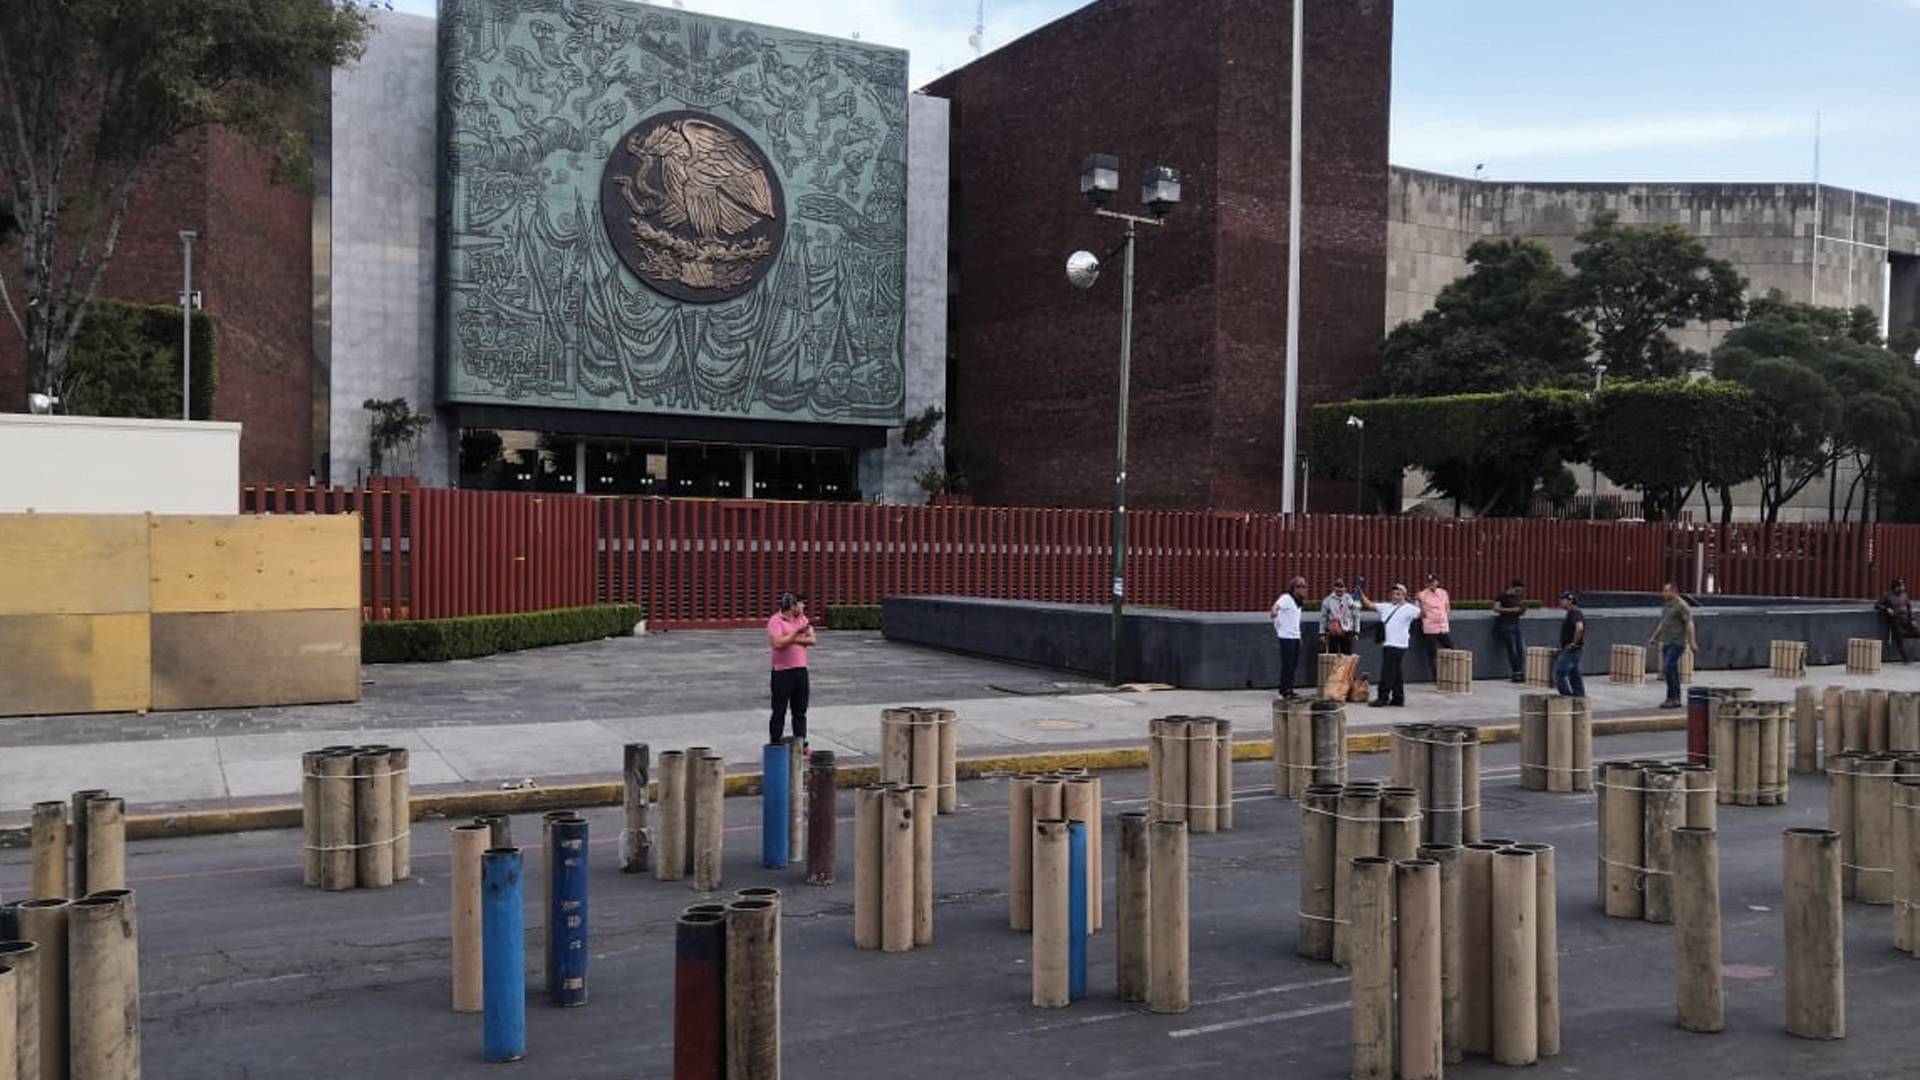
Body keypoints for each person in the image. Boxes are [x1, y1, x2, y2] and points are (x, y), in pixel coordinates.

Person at [767, 590, 817, 750]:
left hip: (801, 670)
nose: (804, 607)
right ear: (793, 605)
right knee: (779, 710)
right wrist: (796, 634)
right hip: (782, 671)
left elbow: (812, 640)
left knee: (800, 710)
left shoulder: (803, 619)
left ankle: (801, 743)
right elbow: (777, 644)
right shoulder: (775, 621)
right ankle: (775, 742)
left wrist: (790, 638)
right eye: (801, 603)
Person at [1361, 582, 1422, 707]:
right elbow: (1369, 605)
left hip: (1398, 645)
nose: (1395, 596)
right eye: (1393, 593)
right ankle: (1398, 698)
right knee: (1396, 672)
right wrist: (1360, 593)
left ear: (1404, 595)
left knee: (1387, 672)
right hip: (1388, 644)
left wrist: (1421, 601)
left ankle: (1382, 698)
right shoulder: (1385, 607)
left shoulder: (1409, 608)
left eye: (1398, 594)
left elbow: (1422, 614)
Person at [1647, 582, 1697, 708]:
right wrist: (1654, 637)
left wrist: (1692, 642)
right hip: (1667, 642)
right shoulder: (1666, 606)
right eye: (1663, 591)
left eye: (1666, 591)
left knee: (1669, 666)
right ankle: (1673, 698)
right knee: (1670, 669)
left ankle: (1674, 697)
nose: (1663, 593)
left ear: (1674, 592)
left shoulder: (1682, 606)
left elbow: (1689, 623)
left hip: (1677, 642)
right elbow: (1662, 624)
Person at [1270, 575, 1308, 700]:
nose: (1304, 589)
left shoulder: (1299, 602)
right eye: (1301, 587)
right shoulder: (1286, 598)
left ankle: (1290, 689)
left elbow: (1295, 621)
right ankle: (1283, 690)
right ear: (1295, 588)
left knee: (1293, 665)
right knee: (1288, 664)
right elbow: (1276, 606)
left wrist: (1299, 637)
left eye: (1305, 587)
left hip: (1295, 636)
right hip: (1286, 637)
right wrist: (1274, 611)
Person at [1416, 572, 1454, 681]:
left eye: (1433, 582)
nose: (1431, 584)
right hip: (1430, 627)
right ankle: (1435, 676)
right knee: (1432, 653)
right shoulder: (1422, 595)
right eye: (1429, 582)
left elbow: (1447, 608)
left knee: (1450, 648)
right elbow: (1419, 612)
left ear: (1437, 582)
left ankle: (1449, 673)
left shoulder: (1443, 593)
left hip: (1443, 626)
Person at [1876, 577, 1919, 663]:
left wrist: (1912, 619)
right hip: (1896, 620)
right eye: (1902, 586)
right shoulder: (1887, 595)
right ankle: (1905, 658)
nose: (1903, 587)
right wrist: (1887, 608)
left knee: (1918, 631)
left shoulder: (1904, 595)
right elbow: (1877, 605)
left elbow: (1909, 608)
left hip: (1906, 619)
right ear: (1896, 587)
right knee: (1899, 637)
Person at [1492, 578, 1527, 682]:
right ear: (1512, 587)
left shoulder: (1517, 597)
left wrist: (1521, 611)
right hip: (1506, 625)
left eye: (1520, 591)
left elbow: (1518, 608)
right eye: (1517, 590)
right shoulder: (1502, 596)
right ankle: (1516, 672)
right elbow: (1495, 608)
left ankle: (1519, 671)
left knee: (1520, 649)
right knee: (1512, 649)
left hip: (1516, 624)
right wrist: (1512, 610)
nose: (1519, 592)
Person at [1553, 591, 1586, 697]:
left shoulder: (1574, 612)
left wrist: (1573, 644)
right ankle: (1579, 698)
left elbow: (1580, 628)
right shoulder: (1572, 612)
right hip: (1573, 649)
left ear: (1570, 601)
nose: (1560, 602)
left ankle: (1568, 698)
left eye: (1563, 600)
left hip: (1572, 650)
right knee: (1574, 675)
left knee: (1559, 673)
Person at [1321, 578, 1360, 656]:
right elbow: (1323, 617)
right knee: (1333, 655)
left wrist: (1356, 632)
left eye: (1342, 587)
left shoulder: (1350, 600)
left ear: (1345, 588)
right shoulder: (1328, 600)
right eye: (1337, 587)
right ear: (1334, 588)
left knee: (1346, 656)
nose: (1340, 590)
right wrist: (1322, 633)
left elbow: (1356, 616)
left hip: (1347, 630)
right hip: (1333, 631)